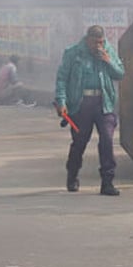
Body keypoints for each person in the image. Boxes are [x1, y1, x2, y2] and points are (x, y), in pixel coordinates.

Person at [54, 25, 125, 196]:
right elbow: (62, 78)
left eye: (101, 42)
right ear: (87, 40)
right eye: (95, 43)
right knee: (79, 142)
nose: (98, 46)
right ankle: (72, 175)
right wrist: (62, 101)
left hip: (104, 103)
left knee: (107, 140)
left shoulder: (107, 51)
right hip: (81, 104)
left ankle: (107, 182)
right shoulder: (73, 53)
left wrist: (107, 60)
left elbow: (120, 74)